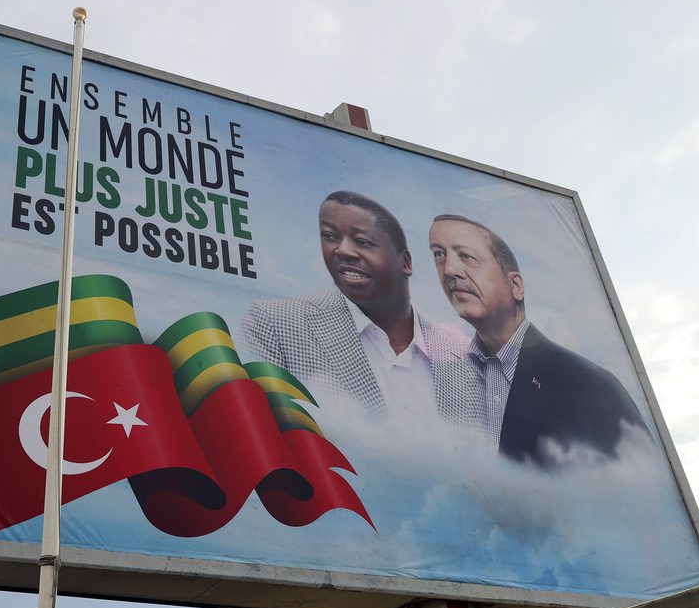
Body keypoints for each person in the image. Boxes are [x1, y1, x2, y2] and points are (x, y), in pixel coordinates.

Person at [427, 214, 647, 467]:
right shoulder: (443, 382)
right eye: (438, 256)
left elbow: (647, 493)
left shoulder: (590, 386)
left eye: (466, 256)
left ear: (516, 285)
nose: (450, 271)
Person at [241, 191, 478, 424]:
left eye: (362, 241)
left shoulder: (465, 358)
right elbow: (261, 433)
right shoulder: (276, 323)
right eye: (330, 236)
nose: (342, 251)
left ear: (405, 263)